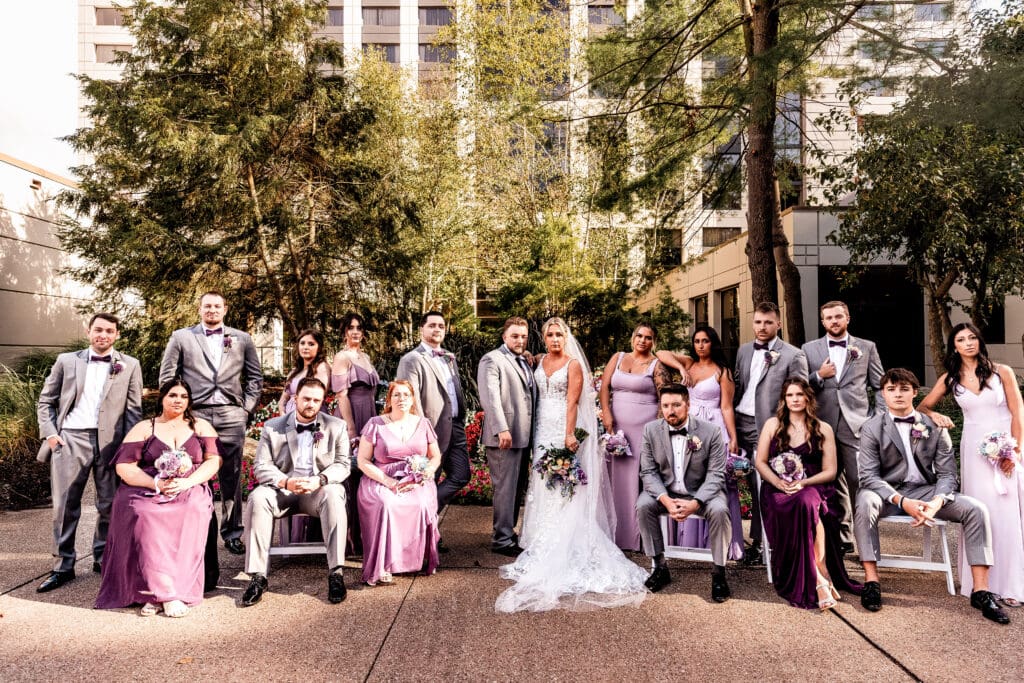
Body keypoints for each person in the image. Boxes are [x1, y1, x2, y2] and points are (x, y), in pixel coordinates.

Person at [495, 317, 648, 612]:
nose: (554, 339)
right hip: (540, 428)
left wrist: (568, 434)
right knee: (542, 484)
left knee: (564, 485)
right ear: (543, 337)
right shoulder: (537, 361)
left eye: (559, 335)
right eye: (550, 335)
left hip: (562, 429)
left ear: (566, 337)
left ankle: (566, 540)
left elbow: (573, 403)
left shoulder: (573, 365)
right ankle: (541, 537)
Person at [856, 368, 1009, 624]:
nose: (898, 394)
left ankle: (981, 591)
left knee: (976, 509)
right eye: (891, 389)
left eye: (904, 389)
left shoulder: (934, 426)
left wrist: (936, 502)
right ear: (883, 394)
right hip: (889, 495)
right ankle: (872, 581)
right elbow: (869, 477)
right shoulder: (872, 427)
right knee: (864, 500)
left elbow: (948, 475)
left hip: (927, 492)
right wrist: (903, 501)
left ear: (915, 392)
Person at [35, 312, 143, 593]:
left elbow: (133, 411)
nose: (103, 335)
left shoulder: (130, 365)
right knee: (65, 505)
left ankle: (103, 557)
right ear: (88, 331)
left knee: (109, 504)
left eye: (109, 331)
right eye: (98, 330)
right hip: (70, 439)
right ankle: (62, 566)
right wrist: (51, 435)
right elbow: (46, 400)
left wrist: (130, 449)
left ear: (117, 334)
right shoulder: (66, 361)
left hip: (111, 444)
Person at [95, 379, 221, 617]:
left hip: (189, 487)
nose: (178, 400)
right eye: (173, 395)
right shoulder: (145, 427)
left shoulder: (201, 426)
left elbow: (213, 461)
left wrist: (187, 482)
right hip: (149, 487)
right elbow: (124, 466)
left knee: (194, 509)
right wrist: (156, 483)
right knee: (144, 514)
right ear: (162, 398)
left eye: (184, 397)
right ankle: (160, 594)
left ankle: (164, 595)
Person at [919, 323, 1024, 606]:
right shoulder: (950, 378)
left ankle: (1012, 585)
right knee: (981, 512)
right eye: (961, 339)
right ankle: (980, 583)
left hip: (1005, 446)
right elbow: (923, 407)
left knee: (1008, 515)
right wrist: (936, 415)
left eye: (972, 338)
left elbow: (1017, 412)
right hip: (973, 450)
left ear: (979, 341)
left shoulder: (1002, 372)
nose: (968, 343)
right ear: (954, 346)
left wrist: (1014, 452)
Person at [159, 290, 263, 556]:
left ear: (225, 309)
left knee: (231, 475)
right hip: (196, 415)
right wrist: (178, 411)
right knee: (191, 472)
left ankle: (232, 533)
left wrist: (245, 410)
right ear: (200, 309)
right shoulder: (182, 337)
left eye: (217, 306)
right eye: (208, 306)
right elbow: (167, 377)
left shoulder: (242, 339)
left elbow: (255, 378)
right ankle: (195, 531)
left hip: (231, 414)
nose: (212, 310)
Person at [240, 378, 350, 606]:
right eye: (306, 398)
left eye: (316, 400)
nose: (311, 404)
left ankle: (336, 573)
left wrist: (320, 480)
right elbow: (261, 465)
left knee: (334, 494)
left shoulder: (335, 426)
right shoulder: (273, 426)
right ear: (295, 399)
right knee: (258, 497)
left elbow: (343, 464)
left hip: (316, 492)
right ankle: (258, 576)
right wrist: (284, 482)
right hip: (283, 491)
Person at [754, 378, 861, 610]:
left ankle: (819, 571)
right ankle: (820, 574)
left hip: (813, 485)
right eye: (790, 395)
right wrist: (779, 483)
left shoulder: (823, 428)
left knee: (807, 501)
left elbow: (830, 471)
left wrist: (804, 483)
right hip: (777, 490)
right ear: (784, 399)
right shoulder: (773, 425)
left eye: (800, 395)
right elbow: (760, 462)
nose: (795, 400)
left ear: (808, 398)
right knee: (803, 504)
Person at [636, 383, 733, 602]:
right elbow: (648, 472)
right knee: (643, 505)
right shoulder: (651, 430)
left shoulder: (711, 431)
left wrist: (696, 502)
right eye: (666, 406)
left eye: (677, 405)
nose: (671, 410)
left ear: (688, 405)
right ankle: (660, 567)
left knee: (719, 509)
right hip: (666, 492)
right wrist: (667, 501)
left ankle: (719, 573)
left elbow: (716, 475)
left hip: (702, 492)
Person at [802, 300, 884, 553]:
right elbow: (800, 386)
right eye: (828, 318)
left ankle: (869, 549)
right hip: (821, 425)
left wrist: (877, 419)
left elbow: (879, 386)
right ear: (823, 321)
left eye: (839, 316)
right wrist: (818, 376)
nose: (834, 321)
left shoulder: (866, 347)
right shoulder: (808, 349)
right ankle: (843, 540)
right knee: (831, 483)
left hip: (856, 425)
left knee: (860, 482)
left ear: (848, 318)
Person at [657, 326, 743, 560]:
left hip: (714, 427)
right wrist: (680, 367)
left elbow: (726, 406)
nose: (701, 345)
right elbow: (661, 353)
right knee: (688, 477)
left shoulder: (722, 372)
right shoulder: (689, 363)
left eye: (705, 341)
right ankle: (689, 540)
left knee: (714, 481)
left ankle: (718, 541)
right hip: (688, 427)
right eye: (696, 341)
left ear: (713, 343)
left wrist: (733, 437)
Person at [733, 301, 808, 564]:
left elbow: (800, 394)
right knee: (737, 485)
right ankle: (735, 541)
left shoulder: (793, 355)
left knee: (765, 484)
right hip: (738, 422)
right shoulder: (743, 351)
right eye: (758, 322)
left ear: (778, 324)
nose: (762, 327)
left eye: (767, 322)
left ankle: (764, 543)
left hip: (769, 427)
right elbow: (739, 385)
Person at [357, 380, 442, 586]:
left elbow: (435, 456)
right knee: (387, 504)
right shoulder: (375, 423)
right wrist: (387, 481)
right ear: (389, 399)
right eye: (396, 395)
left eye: (406, 395)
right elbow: (362, 460)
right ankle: (383, 565)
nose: (401, 399)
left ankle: (414, 558)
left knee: (420, 504)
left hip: (415, 479)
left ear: (412, 399)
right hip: (380, 477)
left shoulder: (423, 424)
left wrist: (427, 471)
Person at [396, 311, 468, 547]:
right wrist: (420, 432)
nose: (437, 329)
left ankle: (421, 517)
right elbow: (410, 397)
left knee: (461, 475)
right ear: (422, 329)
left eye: (441, 326)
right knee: (429, 481)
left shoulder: (448, 357)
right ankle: (422, 539)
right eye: (432, 325)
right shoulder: (411, 359)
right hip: (430, 430)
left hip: (455, 426)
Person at [598, 322, 672, 551]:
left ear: (654, 342)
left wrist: (657, 430)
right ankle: (612, 532)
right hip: (616, 428)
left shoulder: (657, 365)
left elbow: (665, 397)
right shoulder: (618, 357)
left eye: (648, 337)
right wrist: (607, 414)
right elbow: (604, 388)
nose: (642, 340)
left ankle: (637, 537)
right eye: (639, 336)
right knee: (614, 479)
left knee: (638, 479)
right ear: (633, 338)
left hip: (644, 430)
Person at [478, 316, 536, 557]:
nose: (520, 340)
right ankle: (501, 539)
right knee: (505, 489)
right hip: (505, 435)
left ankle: (507, 532)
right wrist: (501, 428)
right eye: (515, 336)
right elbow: (490, 396)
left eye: (523, 336)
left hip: (522, 435)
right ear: (504, 337)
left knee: (516, 488)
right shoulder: (492, 359)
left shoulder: (522, 360)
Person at [331, 312, 381, 556]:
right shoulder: (342, 357)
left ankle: (366, 533)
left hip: (370, 414)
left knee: (366, 475)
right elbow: (341, 395)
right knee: (351, 475)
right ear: (344, 331)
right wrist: (351, 428)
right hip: (352, 416)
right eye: (350, 327)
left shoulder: (366, 356)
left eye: (359, 327)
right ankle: (351, 539)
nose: (355, 331)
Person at [278, 329, 330, 415]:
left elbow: (318, 397)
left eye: (311, 344)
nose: (305, 347)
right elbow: (282, 400)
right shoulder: (294, 371)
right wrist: (283, 416)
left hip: (312, 419)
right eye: (302, 343)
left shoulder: (322, 368)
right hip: (289, 419)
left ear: (319, 348)